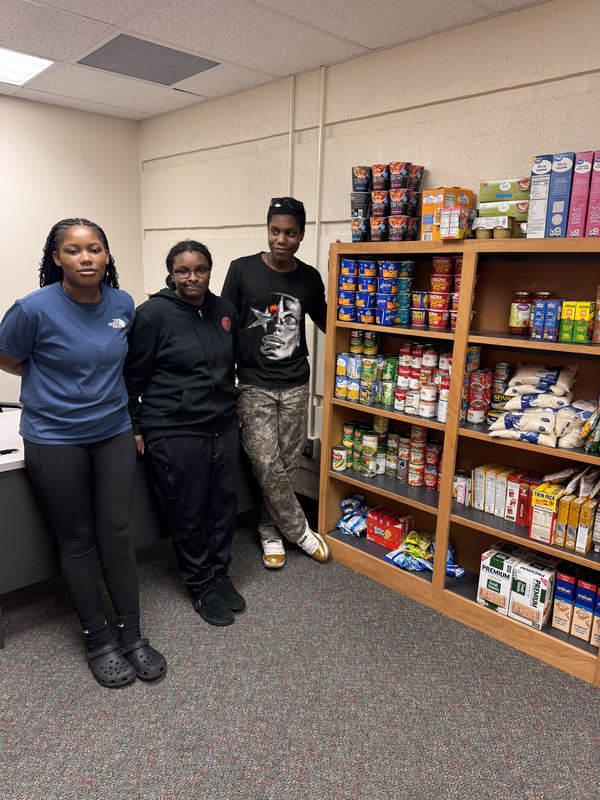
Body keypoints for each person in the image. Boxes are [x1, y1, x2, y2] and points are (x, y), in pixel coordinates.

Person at [0, 218, 166, 688]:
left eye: (95, 249)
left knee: (116, 531)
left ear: (107, 256)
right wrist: (50, 381)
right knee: (77, 539)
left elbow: (122, 358)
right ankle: (97, 638)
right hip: (54, 435)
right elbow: (9, 356)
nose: (86, 258)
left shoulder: (122, 303)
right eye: (73, 251)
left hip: (112, 429)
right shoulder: (32, 309)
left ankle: (131, 634)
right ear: (56, 259)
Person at [124, 240, 244, 627]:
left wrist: (235, 405)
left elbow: (230, 367)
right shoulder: (152, 314)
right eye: (183, 271)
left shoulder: (224, 310)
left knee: (223, 505)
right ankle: (200, 585)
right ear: (171, 274)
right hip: (173, 429)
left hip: (222, 425)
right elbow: (131, 378)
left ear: (211, 270)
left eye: (200, 269)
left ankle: (219, 574)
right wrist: (135, 425)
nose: (193, 278)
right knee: (188, 509)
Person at [221, 197, 329, 569]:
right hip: (254, 383)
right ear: (267, 230)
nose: (282, 239)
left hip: (297, 382)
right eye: (275, 231)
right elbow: (225, 328)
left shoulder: (309, 277)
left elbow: (329, 322)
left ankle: (270, 532)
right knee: (265, 461)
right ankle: (299, 530)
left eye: (291, 233)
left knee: (286, 461)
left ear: (301, 235)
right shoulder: (241, 270)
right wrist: (224, 385)